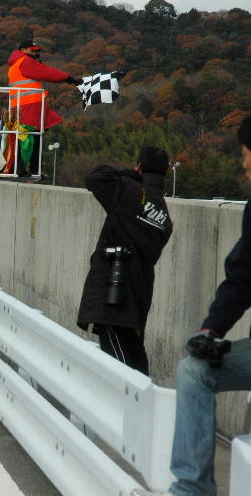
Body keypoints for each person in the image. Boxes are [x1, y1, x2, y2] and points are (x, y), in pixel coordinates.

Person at [133, 105, 251, 496]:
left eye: (246, 156)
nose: (243, 164)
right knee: (195, 371)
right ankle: (192, 489)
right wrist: (211, 331)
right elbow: (241, 279)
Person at [76, 147, 173, 376]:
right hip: (139, 295)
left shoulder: (128, 189)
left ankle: (132, 398)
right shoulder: (164, 216)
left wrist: (128, 174)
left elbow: (95, 177)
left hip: (113, 294)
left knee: (120, 370)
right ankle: (146, 396)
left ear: (139, 166)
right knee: (135, 354)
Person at [7, 38, 79, 176]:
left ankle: (27, 169)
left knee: (27, 137)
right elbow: (45, 72)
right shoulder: (25, 61)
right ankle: (25, 169)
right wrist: (67, 77)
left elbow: (40, 71)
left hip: (23, 105)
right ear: (23, 49)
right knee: (29, 138)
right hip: (28, 106)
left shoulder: (17, 63)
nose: (34, 53)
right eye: (32, 50)